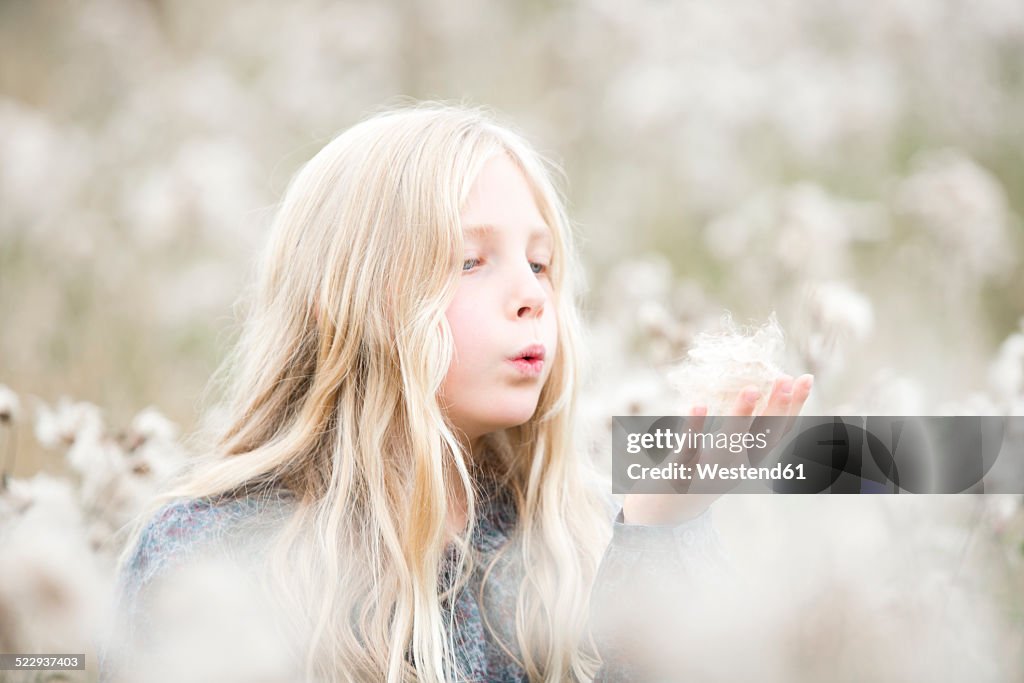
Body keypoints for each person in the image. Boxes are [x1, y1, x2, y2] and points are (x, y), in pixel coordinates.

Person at [99, 101, 813, 683]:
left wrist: (662, 534)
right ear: (345, 301)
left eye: (541, 263)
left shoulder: (584, 533)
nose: (531, 294)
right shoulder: (211, 551)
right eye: (471, 261)